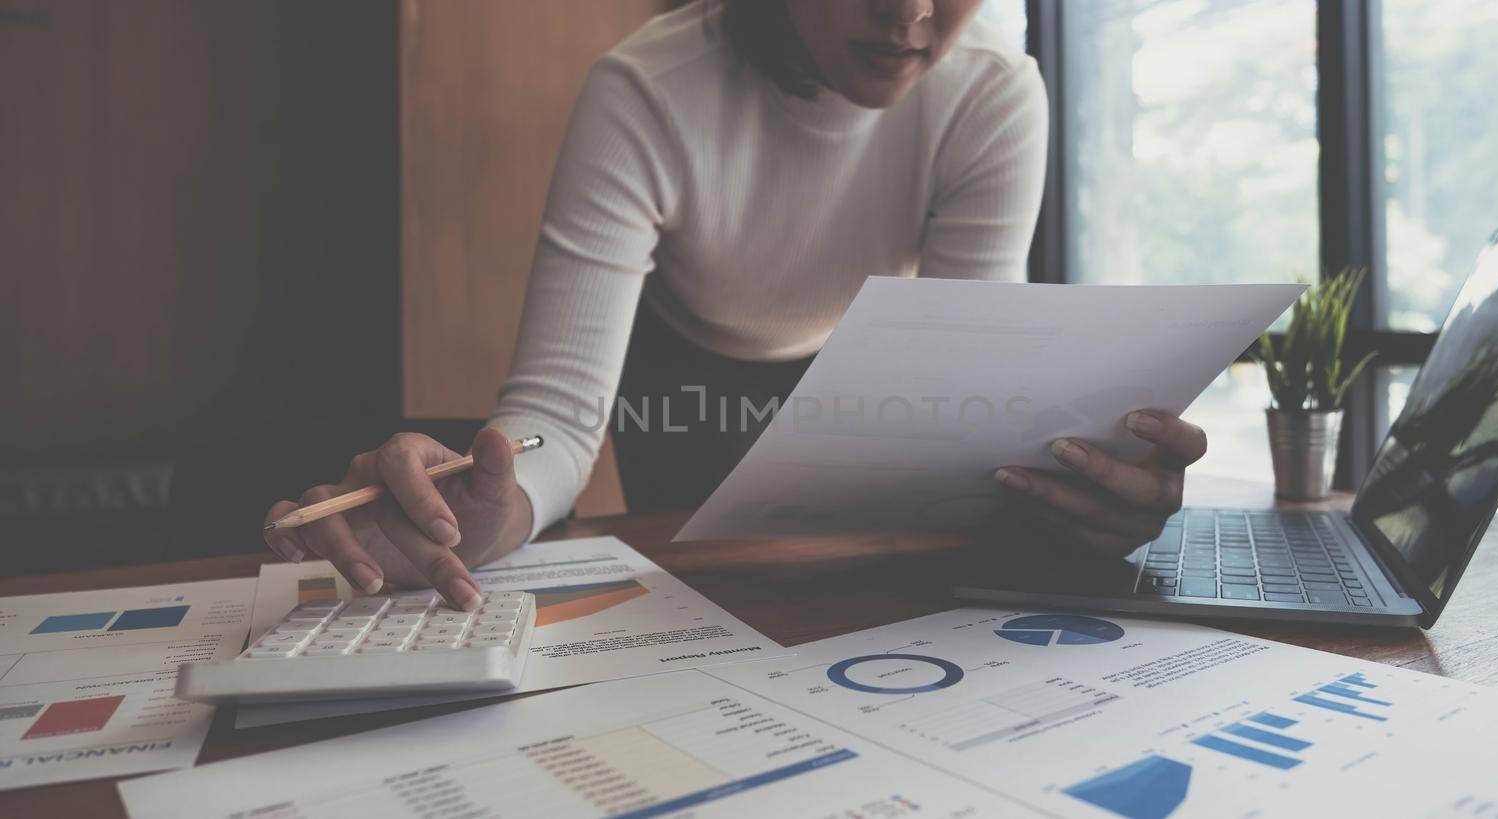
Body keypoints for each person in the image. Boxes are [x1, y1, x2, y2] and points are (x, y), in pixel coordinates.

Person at [262, 0, 1208, 611]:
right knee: (710, 604)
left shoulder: (993, 93)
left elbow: (963, 399)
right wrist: (491, 509)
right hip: (687, 358)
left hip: (868, 359)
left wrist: (1080, 501)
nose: (910, 13)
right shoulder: (646, 91)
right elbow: (557, 417)